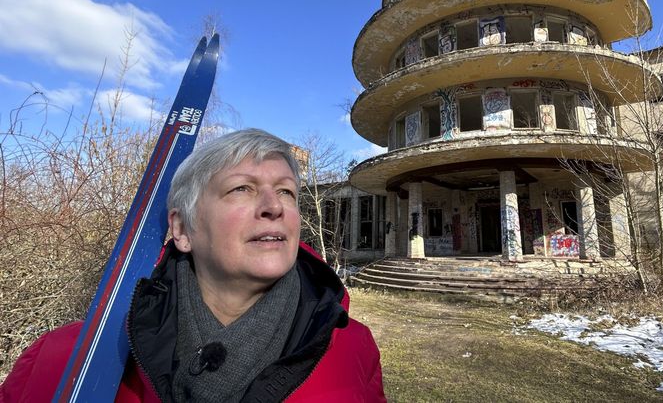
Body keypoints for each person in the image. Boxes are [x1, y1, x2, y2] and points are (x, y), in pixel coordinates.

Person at [1, 128, 386, 402]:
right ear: (182, 228)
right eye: (242, 188)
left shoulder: (353, 349)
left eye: (286, 191)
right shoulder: (63, 360)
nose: (275, 206)